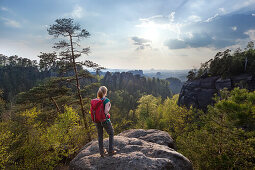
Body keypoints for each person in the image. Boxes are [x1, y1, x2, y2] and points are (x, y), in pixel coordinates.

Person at [96, 86, 116, 157]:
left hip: (97, 120)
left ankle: (101, 152)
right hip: (104, 120)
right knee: (111, 133)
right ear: (105, 92)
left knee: (100, 135)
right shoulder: (106, 100)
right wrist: (109, 106)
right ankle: (111, 151)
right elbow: (106, 111)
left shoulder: (96, 100)